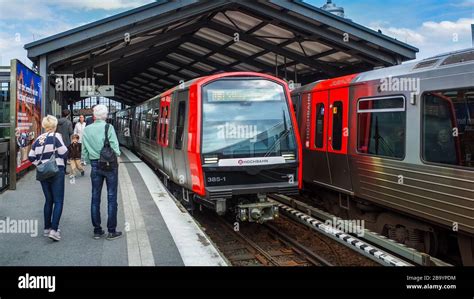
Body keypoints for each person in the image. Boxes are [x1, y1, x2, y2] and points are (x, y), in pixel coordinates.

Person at [82, 104, 122, 240]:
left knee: (95, 197)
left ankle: (97, 230)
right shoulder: (108, 127)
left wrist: (89, 161)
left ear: (94, 116)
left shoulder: (86, 130)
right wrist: (117, 155)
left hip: (95, 165)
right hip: (110, 165)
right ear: (105, 115)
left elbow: (84, 151)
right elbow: (115, 146)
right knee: (112, 197)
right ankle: (112, 231)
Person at [28, 115, 68, 242]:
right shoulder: (56, 136)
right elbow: (63, 152)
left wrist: (40, 165)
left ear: (45, 126)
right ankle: (54, 230)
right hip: (56, 171)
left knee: (48, 200)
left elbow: (31, 157)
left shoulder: (39, 138)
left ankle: (47, 228)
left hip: (43, 173)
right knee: (58, 201)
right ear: (55, 126)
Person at [57, 109, 73, 174]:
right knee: (64, 157)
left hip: (57, 140)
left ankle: (57, 169)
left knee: (57, 156)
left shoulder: (57, 121)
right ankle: (63, 170)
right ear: (68, 115)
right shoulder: (68, 122)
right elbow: (70, 132)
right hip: (66, 141)